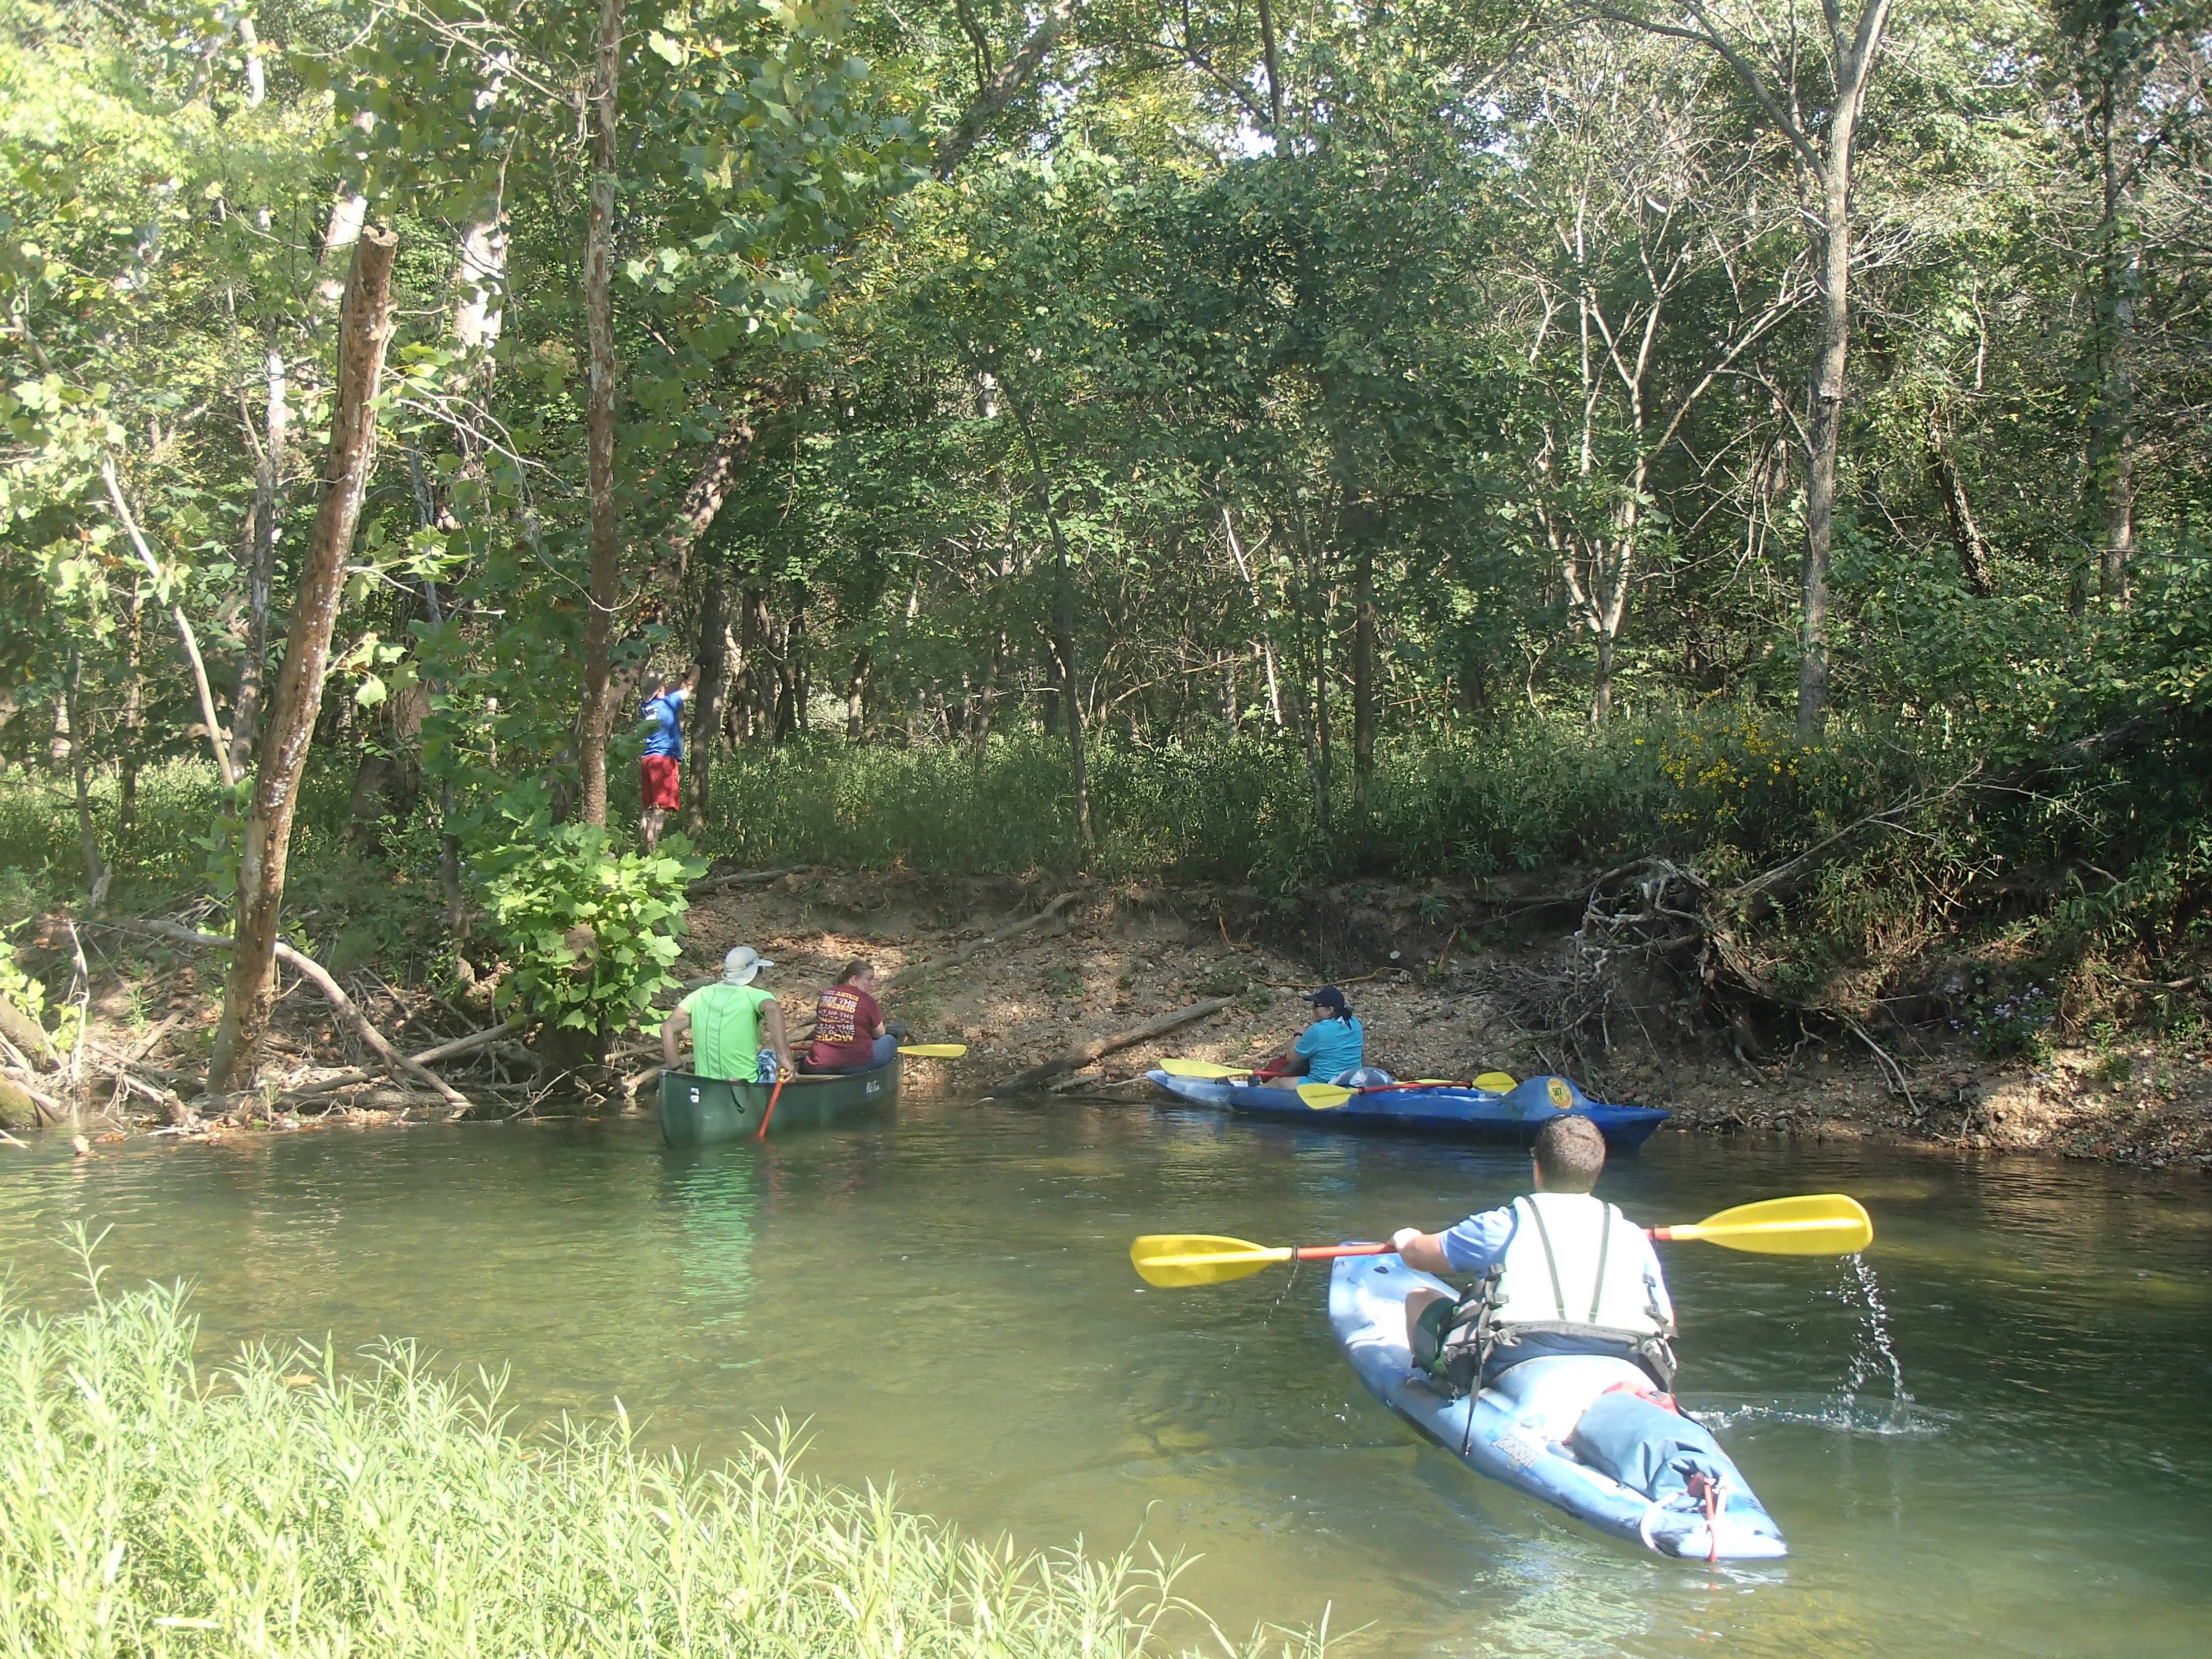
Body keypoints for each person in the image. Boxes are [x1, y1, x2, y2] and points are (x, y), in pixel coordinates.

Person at [1389, 1113, 1677, 1396]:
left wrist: (1406, 1239)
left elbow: (1417, 1257)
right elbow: (1666, 1324)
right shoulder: (1633, 1236)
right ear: (1596, 1172)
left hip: (1511, 1354)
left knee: (1420, 1298)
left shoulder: (1501, 1226)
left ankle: (1441, 1383)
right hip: (1626, 1354)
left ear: (1537, 1168)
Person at [662, 945, 790, 1084]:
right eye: (760, 970)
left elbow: (667, 1028)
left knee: (769, 1046)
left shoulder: (699, 995)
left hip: (705, 1085)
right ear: (754, 972)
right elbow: (773, 1008)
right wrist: (784, 1057)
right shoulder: (754, 995)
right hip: (745, 1085)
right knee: (777, 1046)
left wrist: (677, 1070)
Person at [1257, 986, 1374, 1082]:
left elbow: (1291, 1057)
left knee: (1278, 1082)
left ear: (1330, 1010)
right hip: (1350, 1080)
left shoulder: (1318, 1030)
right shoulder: (1355, 1023)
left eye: (1316, 1005)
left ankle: (1256, 1091)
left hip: (1321, 1084)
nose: (1312, 1008)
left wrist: (1299, 1034)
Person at [804, 959, 897, 1073]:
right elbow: (880, 1033)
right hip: (854, 1064)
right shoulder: (867, 1001)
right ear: (854, 980)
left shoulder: (827, 994)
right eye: (869, 979)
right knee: (889, 1040)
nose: (872, 984)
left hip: (818, 1063)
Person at [638, 670, 696, 852]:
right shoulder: (669, 703)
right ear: (660, 689)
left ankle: (642, 847)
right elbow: (688, 690)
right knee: (660, 809)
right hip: (664, 760)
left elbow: (666, 692)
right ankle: (651, 850)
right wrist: (697, 669)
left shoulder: (646, 707)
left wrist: (682, 676)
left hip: (648, 759)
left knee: (649, 808)